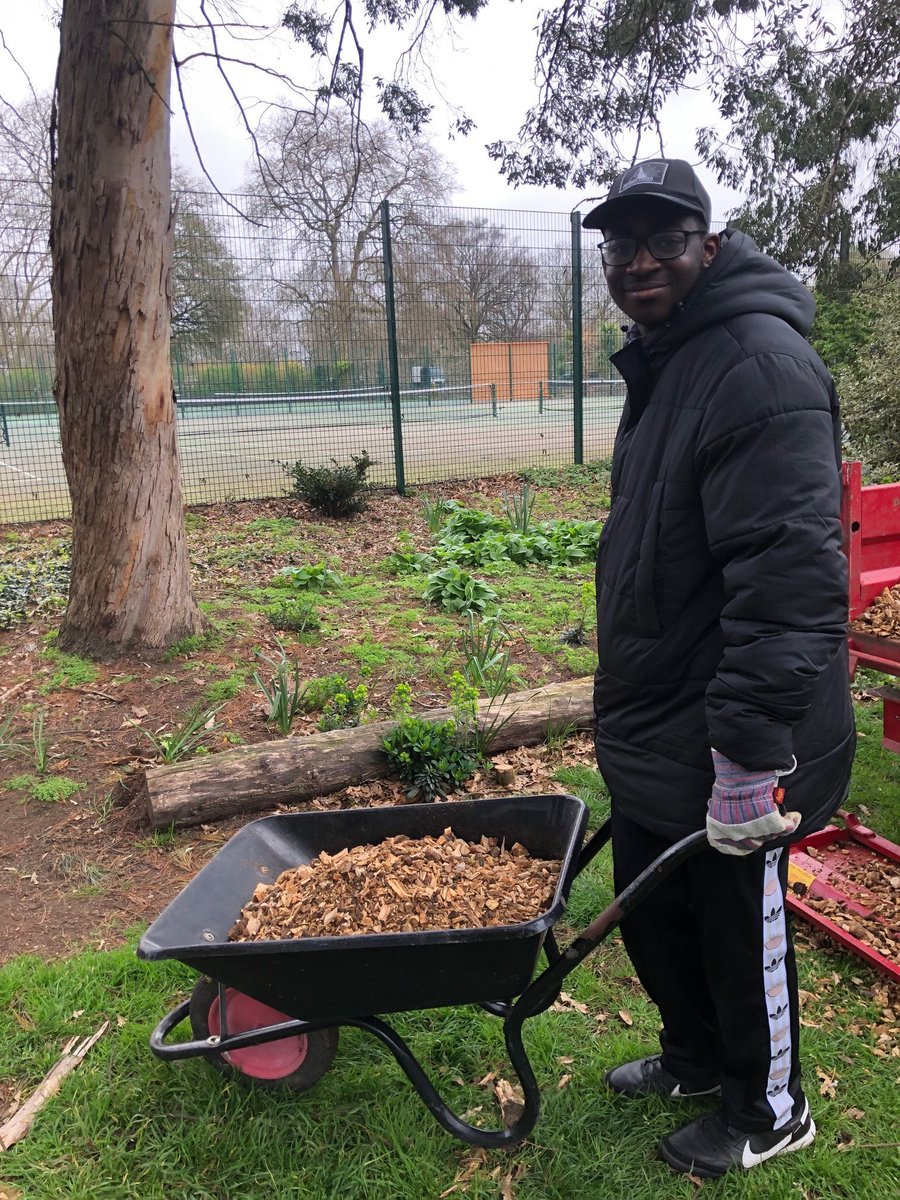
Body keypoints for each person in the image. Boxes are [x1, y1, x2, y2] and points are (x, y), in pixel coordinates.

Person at [582, 158, 855, 1178]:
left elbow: (787, 578)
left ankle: (770, 1107)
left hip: (739, 726)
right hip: (664, 712)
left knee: (739, 927)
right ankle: (694, 1057)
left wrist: (747, 758)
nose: (638, 260)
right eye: (619, 245)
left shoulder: (755, 362)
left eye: (661, 238)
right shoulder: (670, 353)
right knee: (658, 912)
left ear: (706, 241)